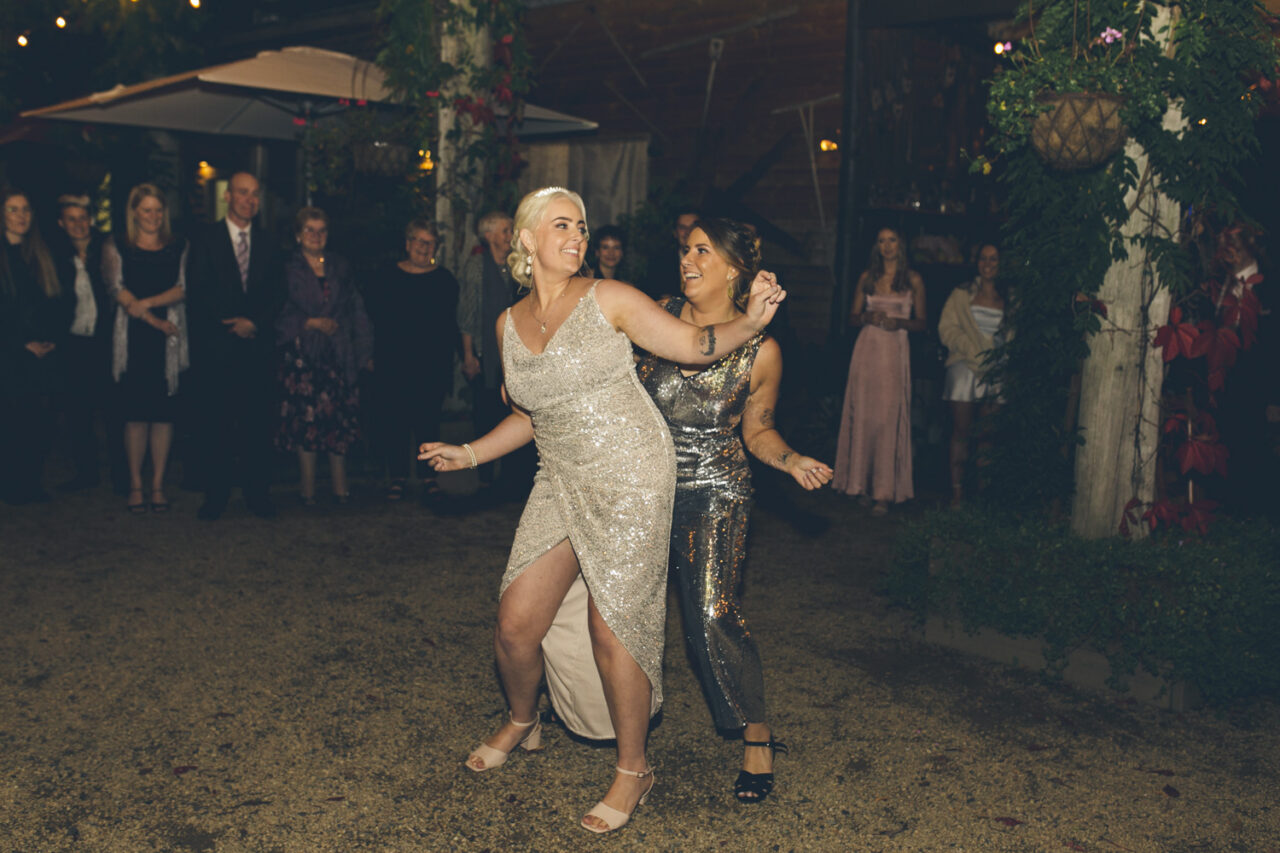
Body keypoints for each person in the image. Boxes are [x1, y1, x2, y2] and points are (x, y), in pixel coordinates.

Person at [420, 187, 784, 834]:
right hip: (558, 476)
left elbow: (694, 344)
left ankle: (634, 768)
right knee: (515, 623)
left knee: (612, 625)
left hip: (631, 475)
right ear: (527, 239)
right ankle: (523, 718)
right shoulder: (506, 324)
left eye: (582, 227)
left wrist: (751, 323)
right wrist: (468, 453)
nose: (578, 236)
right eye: (562, 225)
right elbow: (528, 416)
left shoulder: (609, 298)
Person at [636, 218, 831, 804]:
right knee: (618, 605)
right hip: (644, 485)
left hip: (715, 489)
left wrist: (791, 460)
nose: (687, 259)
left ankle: (757, 734)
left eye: (702, 251)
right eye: (685, 249)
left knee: (711, 612)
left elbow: (759, 429)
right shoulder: (657, 315)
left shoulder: (760, 350)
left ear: (734, 270)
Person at [186, 171, 284, 520]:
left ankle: (258, 494)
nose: (249, 200)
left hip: (258, 348)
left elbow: (278, 293)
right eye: (243, 192)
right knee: (217, 425)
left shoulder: (270, 242)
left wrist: (254, 322)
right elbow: (198, 290)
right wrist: (230, 323)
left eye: (255, 194)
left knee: (258, 424)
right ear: (228, 196)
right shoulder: (204, 239)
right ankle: (216, 496)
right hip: (219, 346)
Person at [275, 207, 372, 506]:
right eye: (309, 230)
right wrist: (310, 323)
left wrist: (364, 349)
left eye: (321, 231)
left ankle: (341, 487)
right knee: (307, 421)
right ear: (298, 235)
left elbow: (356, 308)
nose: (315, 236)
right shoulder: (286, 268)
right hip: (302, 354)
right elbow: (277, 310)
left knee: (337, 420)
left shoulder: (340, 266)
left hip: (337, 353)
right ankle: (307, 488)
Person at [101, 184, 189, 513]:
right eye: (146, 210)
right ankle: (136, 484)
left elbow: (183, 287)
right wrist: (152, 320)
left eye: (158, 210)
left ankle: (158, 485)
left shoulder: (179, 245)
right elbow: (116, 288)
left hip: (169, 339)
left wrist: (149, 305)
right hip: (132, 338)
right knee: (136, 416)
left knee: (163, 416)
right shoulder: (117, 245)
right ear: (134, 212)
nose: (153, 216)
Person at [833, 227, 926, 515]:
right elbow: (851, 317)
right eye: (882, 241)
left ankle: (884, 492)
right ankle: (859, 484)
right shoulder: (867, 277)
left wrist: (899, 323)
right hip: (867, 350)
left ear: (901, 244)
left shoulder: (913, 280)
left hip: (895, 352)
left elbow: (922, 322)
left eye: (892, 240)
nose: (887, 246)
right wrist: (867, 316)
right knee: (863, 415)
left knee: (887, 419)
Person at [365, 219, 458, 504]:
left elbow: (449, 326)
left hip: (431, 364)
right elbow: (371, 319)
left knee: (428, 422)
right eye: (419, 240)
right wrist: (369, 354)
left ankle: (429, 478)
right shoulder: (385, 276)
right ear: (407, 244)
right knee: (394, 422)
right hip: (392, 362)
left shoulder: (445, 280)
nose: (424, 247)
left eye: (430, 242)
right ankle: (397, 477)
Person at [456, 209, 532, 500]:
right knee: (487, 415)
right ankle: (486, 479)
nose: (511, 235)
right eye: (505, 230)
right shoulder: (477, 266)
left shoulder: (517, 265)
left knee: (516, 412)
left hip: (517, 354)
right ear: (488, 235)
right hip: (486, 355)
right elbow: (468, 314)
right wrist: (468, 355)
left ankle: (512, 479)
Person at [52, 193, 124, 493]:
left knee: (114, 410)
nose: (79, 224)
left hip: (105, 341)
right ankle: (86, 472)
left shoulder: (106, 251)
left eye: (83, 218)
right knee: (78, 412)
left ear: (91, 220)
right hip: (73, 343)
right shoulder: (56, 257)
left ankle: (122, 476)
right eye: (71, 219)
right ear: (61, 224)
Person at [0, 189, 68, 504]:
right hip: (10, 354)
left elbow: (54, 303)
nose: (21, 216)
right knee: (11, 421)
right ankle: (10, 485)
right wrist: (20, 344)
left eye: (25, 209)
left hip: (42, 354)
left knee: (38, 421)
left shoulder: (40, 254)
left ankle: (30, 482)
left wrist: (50, 339)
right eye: (13, 209)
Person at [937, 243, 1007, 506]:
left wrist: (999, 359)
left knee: (988, 436)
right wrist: (972, 350)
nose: (988, 264)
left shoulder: (1011, 297)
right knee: (961, 432)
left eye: (994, 259)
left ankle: (982, 495)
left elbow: (1014, 335)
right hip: (964, 367)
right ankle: (957, 493)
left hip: (996, 370)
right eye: (983, 259)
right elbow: (947, 329)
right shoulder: (962, 294)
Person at [640, 207, 699, 301]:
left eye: (693, 227)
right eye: (682, 227)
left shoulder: (710, 261)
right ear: (675, 233)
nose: (688, 232)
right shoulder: (659, 262)